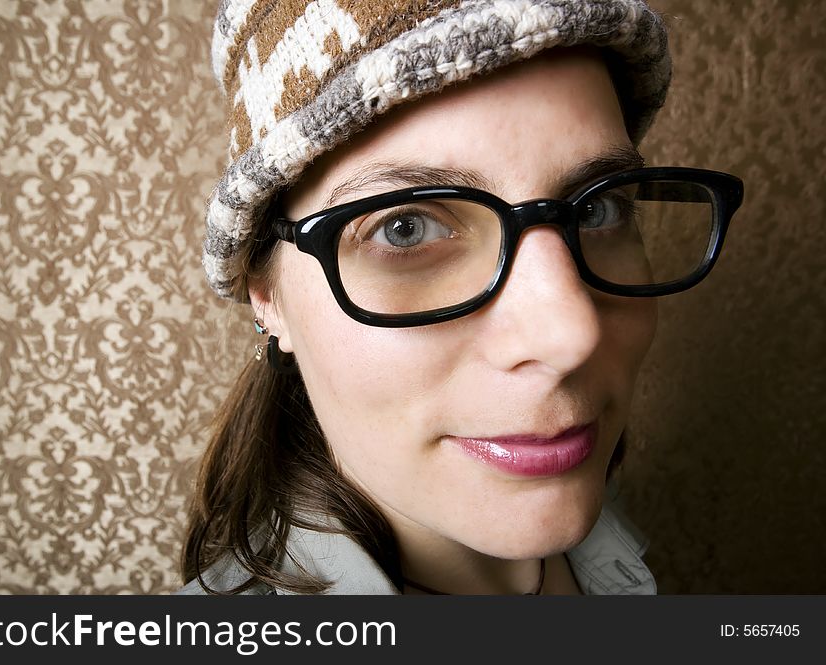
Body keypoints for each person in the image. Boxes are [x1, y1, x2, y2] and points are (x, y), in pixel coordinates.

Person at [179, 0, 743, 595]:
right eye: (406, 227)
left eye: (598, 209)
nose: (572, 334)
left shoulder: (617, 550)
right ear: (267, 296)